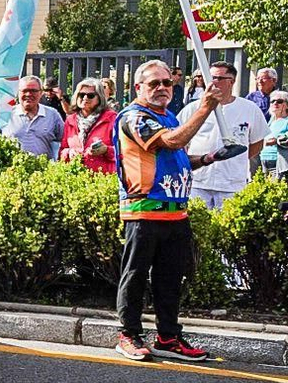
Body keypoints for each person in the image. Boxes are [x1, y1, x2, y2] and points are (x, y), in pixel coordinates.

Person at [112, 61, 227, 362]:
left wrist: (210, 157)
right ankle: (128, 334)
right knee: (135, 277)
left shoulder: (168, 117)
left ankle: (168, 337)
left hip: (176, 214)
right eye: (154, 83)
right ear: (138, 88)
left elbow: (178, 157)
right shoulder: (135, 117)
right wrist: (205, 107)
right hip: (144, 213)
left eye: (166, 82)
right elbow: (172, 140)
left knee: (170, 281)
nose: (162, 88)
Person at [180, 61, 267, 210]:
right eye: (210, 77)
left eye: (218, 78)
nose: (213, 82)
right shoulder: (193, 108)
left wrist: (236, 159)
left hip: (232, 184)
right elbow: (180, 139)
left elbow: (257, 143)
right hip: (198, 182)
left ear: (231, 81)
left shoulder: (249, 109)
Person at [61, 78, 118, 175]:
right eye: (81, 95)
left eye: (90, 95)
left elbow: (123, 152)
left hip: (103, 177)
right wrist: (69, 152)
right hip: (76, 177)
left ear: (99, 98)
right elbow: (62, 150)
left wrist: (106, 150)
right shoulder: (70, 120)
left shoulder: (111, 119)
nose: (85, 98)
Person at [2, 75, 66, 158]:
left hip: (43, 165)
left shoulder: (52, 114)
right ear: (18, 93)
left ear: (41, 93)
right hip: (12, 165)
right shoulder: (6, 113)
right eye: (24, 90)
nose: (28, 94)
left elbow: (66, 139)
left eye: (33, 91)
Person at [262, 91, 288, 177]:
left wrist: (276, 140)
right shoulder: (271, 121)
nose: (275, 103)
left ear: (286, 105)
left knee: (277, 184)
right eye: (272, 101)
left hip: (279, 161)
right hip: (264, 159)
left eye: (279, 101)